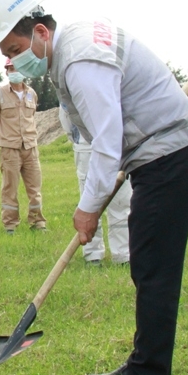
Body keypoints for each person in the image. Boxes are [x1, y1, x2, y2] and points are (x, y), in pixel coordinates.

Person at [0, 0, 188, 375]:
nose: (13, 61)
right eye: (6, 55)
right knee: (147, 265)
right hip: (159, 154)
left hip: (173, 156)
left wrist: (87, 209)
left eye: (15, 48)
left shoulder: (80, 58)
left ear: (39, 32)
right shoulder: (71, 46)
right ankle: (144, 361)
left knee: (154, 270)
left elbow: (106, 140)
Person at [59, 102, 131, 265]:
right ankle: (92, 254)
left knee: (121, 199)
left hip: (115, 145)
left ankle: (123, 255)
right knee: (89, 201)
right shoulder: (71, 82)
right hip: (85, 146)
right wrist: (77, 140)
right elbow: (65, 114)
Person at [0, 58, 46, 234]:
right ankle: (10, 225)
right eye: (10, 68)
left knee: (35, 188)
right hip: (10, 149)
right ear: (6, 72)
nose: (14, 71)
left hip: (30, 148)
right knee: (10, 189)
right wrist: (6, 140)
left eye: (17, 68)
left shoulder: (32, 94)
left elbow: (33, 116)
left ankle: (38, 223)